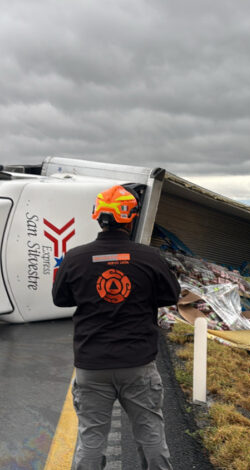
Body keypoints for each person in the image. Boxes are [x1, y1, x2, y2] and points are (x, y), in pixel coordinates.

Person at [52, 184, 180, 470]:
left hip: (91, 364)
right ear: (131, 218)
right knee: (150, 434)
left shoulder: (75, 258)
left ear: (97, 216)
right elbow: (171, 295)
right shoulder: (149, 257)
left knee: (92, 437)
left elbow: (60, 299)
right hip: (138, 364)